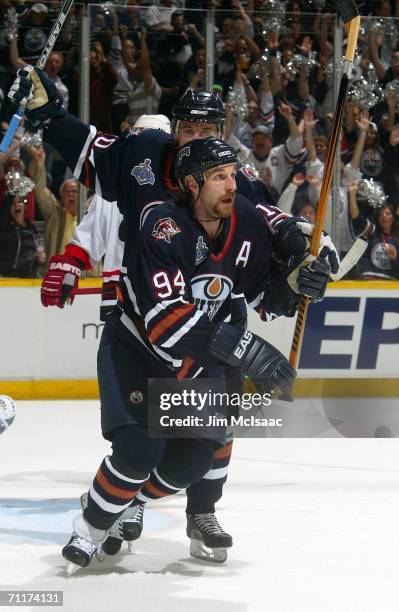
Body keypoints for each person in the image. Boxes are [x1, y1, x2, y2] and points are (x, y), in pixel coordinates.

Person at [8, 72, 338, 562]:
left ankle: (190, 510)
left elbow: (266, 225)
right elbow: (87, 149)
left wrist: (302, 257)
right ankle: (119, 503)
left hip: (209, 316)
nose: (198, 140)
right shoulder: (144, 159)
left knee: (210, 437)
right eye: (189, 130)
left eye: (210, 131)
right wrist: (44, 111)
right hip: (152, 308)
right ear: (175, 130)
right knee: (141, 444)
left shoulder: (234, 181)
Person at [61, 138, 300, 572]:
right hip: (135, 351)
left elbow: (267, 292)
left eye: (233, 175)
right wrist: (248, 351)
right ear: (191, 184)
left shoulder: (243, 220)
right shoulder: (162, 226)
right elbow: (166, 324)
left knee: (191, 461)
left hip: (193, 364)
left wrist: (301, 281)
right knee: (138, 452)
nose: (232, 186)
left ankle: (122, 499)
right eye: (219, 177)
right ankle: (90, 528)